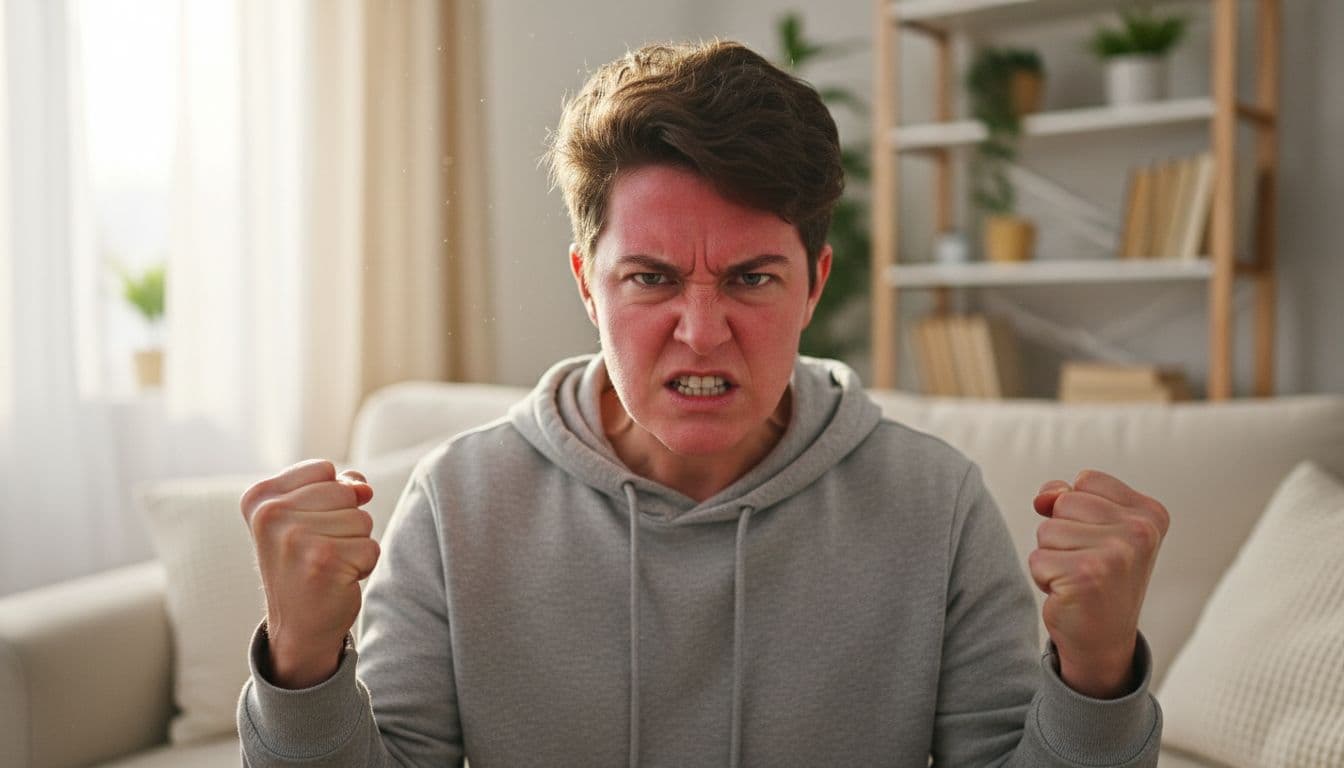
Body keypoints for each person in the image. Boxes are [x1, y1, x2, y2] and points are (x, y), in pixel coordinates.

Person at [237, 40, 1166, 767]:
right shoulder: (458, 502)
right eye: (650, 278)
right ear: (587, 286)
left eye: (753, 278)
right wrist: (303, 661)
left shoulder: (938, 503)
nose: (702, 330)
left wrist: (1096, 674)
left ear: (813, 285)